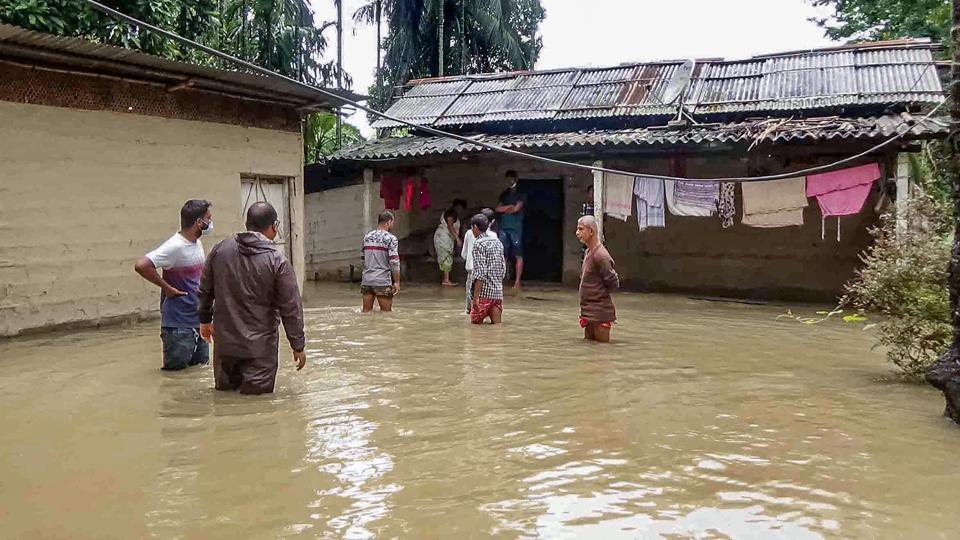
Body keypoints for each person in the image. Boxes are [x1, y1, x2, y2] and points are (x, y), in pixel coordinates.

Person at [197, 202, 305, 394]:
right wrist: (298, 345)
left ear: (247, 224)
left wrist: (204, 320)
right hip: (260, 352)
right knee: (259, 407)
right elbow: (291, 308)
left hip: (225, 348)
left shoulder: (220, 250)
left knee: (224, 404)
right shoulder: (277, 261)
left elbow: (205, 290)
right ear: (274, 226)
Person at [134, 199, 213, 371]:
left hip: (198, 322)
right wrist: (167, 288)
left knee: (199, 372)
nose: (211, 223)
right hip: (178, 327)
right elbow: (141, 265)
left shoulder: (196, 243)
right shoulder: (174, 246)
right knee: (175, 376)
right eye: (209, 218)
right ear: (199, 222)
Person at [576, 215, 619, 343]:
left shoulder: (601, 255)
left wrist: (599, 296)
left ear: (591, 231)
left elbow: (613, 282)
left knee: (601, 351)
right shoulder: (588, 252)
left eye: (581, 229)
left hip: (600, 313)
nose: (577, 233)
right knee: (589, 348)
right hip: (588, 311)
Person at [469, 214, 507, 325]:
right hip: (497, 293)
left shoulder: (478, 244)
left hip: (484, 294)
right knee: (497, 328)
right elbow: (503, 269)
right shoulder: (498, 242)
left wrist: (476, 297)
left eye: (472, 228)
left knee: (475, 329)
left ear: (475, 227)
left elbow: (480, 273)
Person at [362, 211, 401, 312]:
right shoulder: (391, 239)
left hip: (367, 280)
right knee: (387, 315)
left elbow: (363, 257)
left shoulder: (367, 237)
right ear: (388, 222)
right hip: (382, 281)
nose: (393, 225)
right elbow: (394, 261)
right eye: (392, 222)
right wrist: (396, 282)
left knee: (366, 313)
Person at [462, 208, 498, 314]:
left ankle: (470, 311)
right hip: (488, 271)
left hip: (471, 269)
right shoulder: (493, 236)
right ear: (492, 222)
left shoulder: (469, 233)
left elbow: (464, 254)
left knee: (470, 292)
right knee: (487, 293)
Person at [495, 170, 526, 289]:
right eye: (507, 178)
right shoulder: (504, 194)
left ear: (515, 179)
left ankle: (517, 281)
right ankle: (502, 278)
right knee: (503, 255)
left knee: (518, 255)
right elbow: (498, 209)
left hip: (515, 228)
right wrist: (508, 207)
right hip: (504, 227)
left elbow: (516, 209)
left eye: (511, 178)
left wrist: (506, 208)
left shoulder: (521, 193)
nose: (509, 181)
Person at [433, 208, 461, 287]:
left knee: (444, 257)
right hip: (443, 238)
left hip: (441, 237)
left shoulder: (446, 215)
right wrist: (457, 239)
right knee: (446, 257)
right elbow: (450, 226)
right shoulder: (450, 216)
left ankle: (445, 278)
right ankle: (446, 280)